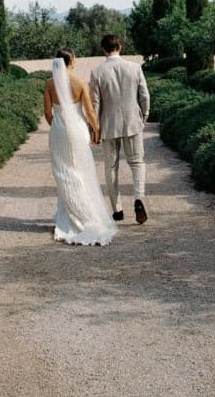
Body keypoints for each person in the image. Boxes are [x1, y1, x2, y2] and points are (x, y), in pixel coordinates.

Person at [44, 49, 116, 246]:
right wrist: (96, 130)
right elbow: (90, 110)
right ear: (72, 61)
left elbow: (47, 113)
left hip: (59, 129)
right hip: (77, 128)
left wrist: (58, 125)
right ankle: (85, 211)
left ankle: (69, 212)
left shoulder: (50, 84)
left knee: (63, 171)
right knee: (81, 171)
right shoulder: (80, 82)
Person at [89, 34, 150, 224]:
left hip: (108, 124)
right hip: (132, 122)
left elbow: (94, 103)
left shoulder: (97, 72)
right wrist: (144, 115)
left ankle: (117, 210)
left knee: (111, 166)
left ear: (103, 50)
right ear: (120, 47)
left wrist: (95, 128)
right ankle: (139, 198)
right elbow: (144, 95)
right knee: (137, 162)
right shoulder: (135, 67)